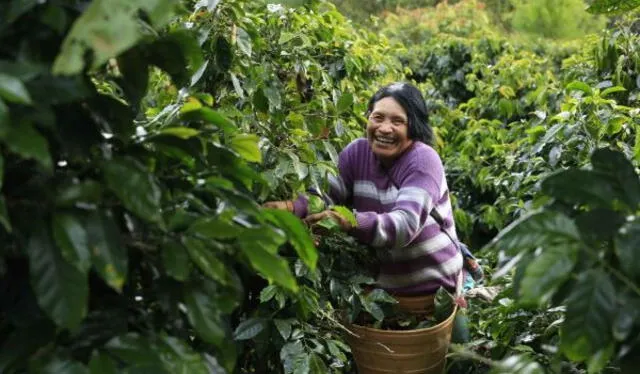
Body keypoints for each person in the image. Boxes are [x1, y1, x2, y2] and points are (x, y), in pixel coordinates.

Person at [265, 82, 463, 297]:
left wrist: (348, 221)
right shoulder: (356, 153)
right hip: (383, 295)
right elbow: (324, 196)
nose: (385, 128)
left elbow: (404, 226)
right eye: (378, 117)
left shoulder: (423, 160)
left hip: (438, 294)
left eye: (398, 121)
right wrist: (290, 207)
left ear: (413, 127)